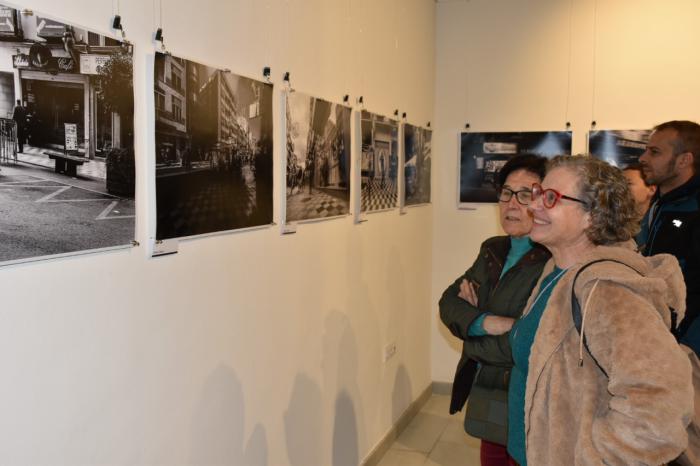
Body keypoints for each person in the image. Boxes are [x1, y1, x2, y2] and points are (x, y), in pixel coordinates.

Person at [507, 155, 693, 466]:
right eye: (539, 192)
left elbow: (659, 408)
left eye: (551, 197)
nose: (534, 205)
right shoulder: (556, 270)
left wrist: (593, 459)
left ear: (592, 216)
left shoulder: (607, 288)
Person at [440, 154, 550, 466]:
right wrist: (488, 321)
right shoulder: (493, 249)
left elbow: (528, 344)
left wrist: (473, 331)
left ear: (545, 201)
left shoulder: (552, 260)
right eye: (506, 193)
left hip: (527, 401)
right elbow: (449, 302)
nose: (511, 204)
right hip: (489, 395)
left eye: (525, 195)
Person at [638, 120, 700, 355]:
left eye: (654, 152)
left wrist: (688, 346)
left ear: (684, 160)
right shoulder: (661, 203)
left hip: (685, 350)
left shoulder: (695, 207)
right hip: (655, 339)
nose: (643, 158)